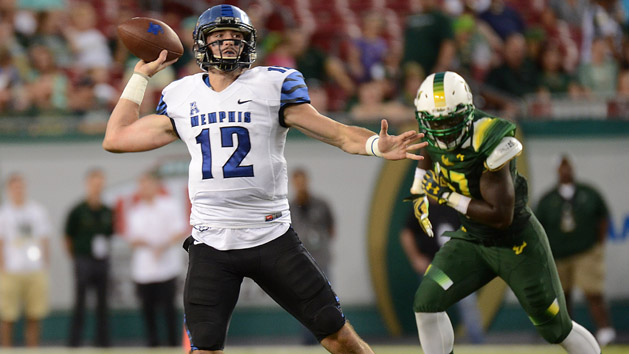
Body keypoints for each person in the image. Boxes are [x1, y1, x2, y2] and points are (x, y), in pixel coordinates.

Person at [102, 4, 424, 353]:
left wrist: (376, 144)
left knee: (336, 334)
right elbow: (116, 138)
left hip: (270, 236)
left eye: (236, 36)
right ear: (202, 45)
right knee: (204, 348)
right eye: (219, 36)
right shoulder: (182, 95)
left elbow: (338, 134)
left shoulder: (273, 84)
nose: (228, 43)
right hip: (211, 241)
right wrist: (140, 76)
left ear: (249, 43)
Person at [407, 71, 601, 354]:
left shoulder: (490, 138)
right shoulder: (432, 134)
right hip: (473, 241)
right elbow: (428, 146)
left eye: (450, 121)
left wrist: (447, 196)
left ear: (467, 113)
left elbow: (500, 215)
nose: (443, 130)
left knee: (556, 328)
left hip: (516, 244)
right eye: (436, 123)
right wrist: (418, 183)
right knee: (426, 302)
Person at [536, 155, 616, 347]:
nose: (566, 171)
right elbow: (538, 227)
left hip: (586, 251)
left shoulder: (588, 193)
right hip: (559, 255)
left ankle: (605, 330)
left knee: (593, 292)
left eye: (568, 166)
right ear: (556, 171)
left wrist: (599, 244)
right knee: (563, 297)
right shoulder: (548, 199)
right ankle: (567, 334)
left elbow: (603, 217)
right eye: (562, 167)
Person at [399, 201, 485, 344]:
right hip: (435, 269)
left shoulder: (454, 205)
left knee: (467, 302)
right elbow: (406, 233)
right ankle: (434, 346)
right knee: (431, 309)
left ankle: (478, 344)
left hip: (456, 267)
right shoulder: (422, 206)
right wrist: (416, 258)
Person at [125, 171, 187, 347]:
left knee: (168, 309)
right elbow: (132, 238)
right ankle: (152, 345)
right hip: (143, 270)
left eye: (146, 184)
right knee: (148, 310)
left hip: (167, 268)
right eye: (141, 185)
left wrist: (163, 245)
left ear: (156, 185)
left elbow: (179, 230)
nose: (143, 188)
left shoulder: (169, 206)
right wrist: (146, 244)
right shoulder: (136, 212)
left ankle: (173, 345)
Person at [0, 173, 51, 347]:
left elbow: (45, 239)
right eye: (14, 187)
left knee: (34, 315)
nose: (18, 190)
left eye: (21, 186)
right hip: (11, 272)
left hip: (34, 271)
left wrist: (44, 264)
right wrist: (2, 267)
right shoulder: (4, 213)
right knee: (8, 317)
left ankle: (32, 349)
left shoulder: (37, 211)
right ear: (8, 189)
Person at [64, 168, 114, 347]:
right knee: (80, 302)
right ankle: (74, 342)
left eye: (100, 184)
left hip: (102, 261)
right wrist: (76, 258)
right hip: (84, 260)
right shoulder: (78, 211)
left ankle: (102, 342)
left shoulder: (107, 211)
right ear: (87, 184)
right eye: (94, 183)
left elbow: (111, 234)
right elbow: (68, 236)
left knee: (102, 303)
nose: (97, 187)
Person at [289, 168, 336, 345]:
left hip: (321, 259)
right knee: (302, 300)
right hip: (299, 261)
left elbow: (331, 229)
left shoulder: (321, 204)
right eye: (297, 182)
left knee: (326, 298)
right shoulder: (289, 207)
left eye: (303, 181)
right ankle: (308, 340)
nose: (300, 185)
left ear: (307, 181)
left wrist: (321, 245)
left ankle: (329, 336)